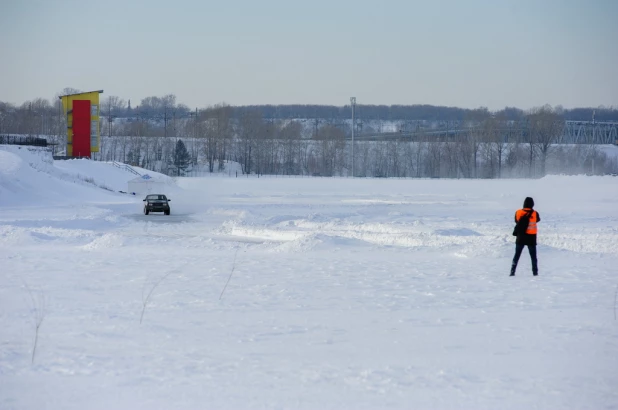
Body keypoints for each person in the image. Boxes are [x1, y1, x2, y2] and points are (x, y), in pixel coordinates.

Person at [511, 197, 540, 276]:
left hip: (521, 237)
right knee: (533, 257)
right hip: (531, 238)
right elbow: (538, 220)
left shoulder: (518, 212)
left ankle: (512, 272)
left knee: (517, 255)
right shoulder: (535, 213)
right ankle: (535, 273)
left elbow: (516, 221)